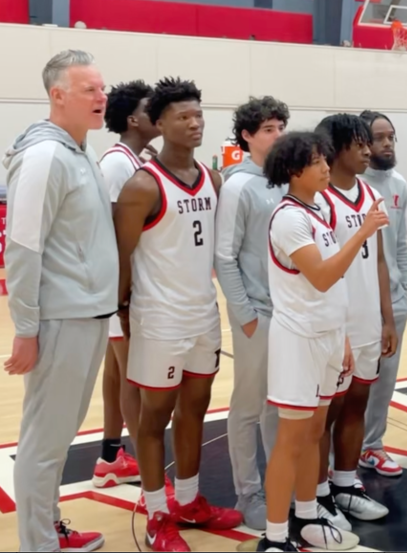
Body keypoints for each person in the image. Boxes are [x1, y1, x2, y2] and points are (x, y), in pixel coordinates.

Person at [115, 77, 242, 551]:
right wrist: (124, 313)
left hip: (202, 315)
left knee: (196, 410)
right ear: (160, 123)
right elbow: (121, 258)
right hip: (158, 319)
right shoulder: (141, 186)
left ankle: (188, 502)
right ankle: (156, 515)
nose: (194, 123)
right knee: (154, 418)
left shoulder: (213, 179)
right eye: (183, 117)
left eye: (198, 115)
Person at [5, 49, 116, 553]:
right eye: (90, 89)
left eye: (102, 87)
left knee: (58, 437)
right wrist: (26, 328)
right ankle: (38, 545)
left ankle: (49, 530)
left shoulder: (79, 151)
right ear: (58, 95)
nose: (102, 96)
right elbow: (22, 249)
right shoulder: (46, 156)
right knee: (44, 444)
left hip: (87, 313)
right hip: (59, 319)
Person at [258, 131, 375, 552]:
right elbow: (324, 276)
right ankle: (272, 538)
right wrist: (362, 233)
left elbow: (331, 290)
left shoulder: (318, 209)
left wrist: (341, 336)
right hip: (298, 340)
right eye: (318, 162)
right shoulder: (289, 217)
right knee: (292, 441)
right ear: (294, 171)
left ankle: (307, 516)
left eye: (327, 159)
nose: (328, 167)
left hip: (326, 337)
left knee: (312, 436)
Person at [314, 113, 396, 524]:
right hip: (334, 326)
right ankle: (316, 495)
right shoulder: (318, 198)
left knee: (356, 407)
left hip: (367, 322)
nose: (368, 150)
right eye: (359, 143)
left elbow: (379, 261)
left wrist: (387, 319)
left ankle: (345, 484)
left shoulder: (369, 193)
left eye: (369, 142)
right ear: (334, 148)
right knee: (324, 416)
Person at [215, 96, 289, 530]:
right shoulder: (238, 185)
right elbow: (224, 257)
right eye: (267, 129)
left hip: (290, 313)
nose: (276, 135)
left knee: (279, 405)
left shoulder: (286, 181)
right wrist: (244, 313)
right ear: (246, 135)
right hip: (255, 314)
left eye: (280, 127)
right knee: (248, 406)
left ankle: (279, 483)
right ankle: (249, 493)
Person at [93, 79, 160, 490]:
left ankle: (109, 455)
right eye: (153, 108)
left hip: (118, 288)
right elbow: (121, 239)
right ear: (134, 119)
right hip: (122, 289)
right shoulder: (119, 164)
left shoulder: (132, 158)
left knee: (116, 372)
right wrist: (125, 296)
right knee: (134, 376)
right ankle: (147, 470)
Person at [357, 110, 407, 477]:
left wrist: (404, 290)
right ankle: (336, 457)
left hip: (394, 299)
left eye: (391, 136)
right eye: (379, 137)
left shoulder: (400, 185)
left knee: (385, 379)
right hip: (358, 302)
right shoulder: (348, 185)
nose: (387, 143)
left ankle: (372, 446)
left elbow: (399, 245)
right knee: (353, 384)